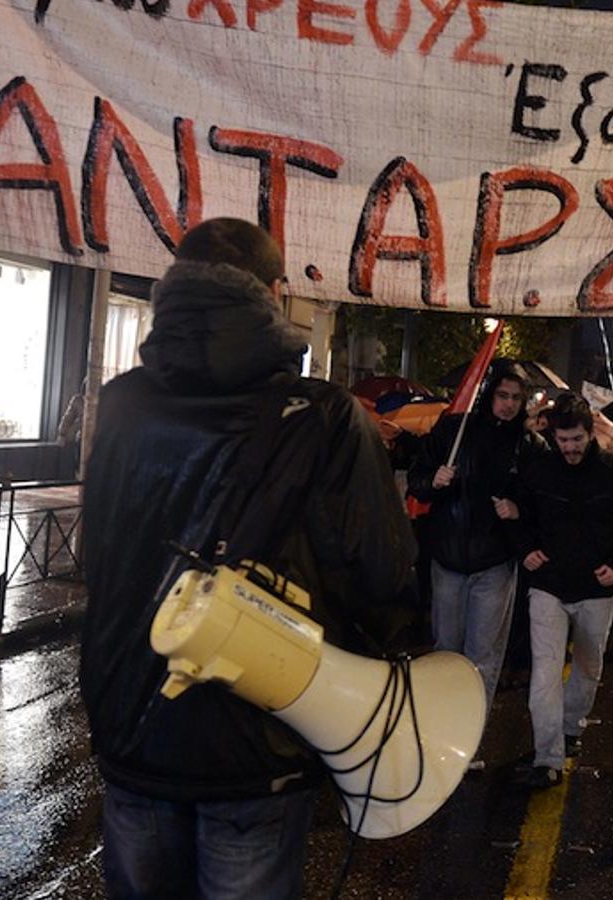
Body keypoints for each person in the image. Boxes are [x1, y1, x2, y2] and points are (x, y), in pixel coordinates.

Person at [79, 218, 418, 898]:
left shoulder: (120, 404)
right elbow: (381, 577)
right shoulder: (324, 415)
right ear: (273, 292)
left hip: (131, 723)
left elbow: (97, 556)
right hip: (262, 730)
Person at [508, 394, 613, 788]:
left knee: (588, 668)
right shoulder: (538, 472)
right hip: (549, 586)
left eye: (576, 439)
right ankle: (547, 757)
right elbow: (518, 516)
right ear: (553, 436)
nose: (569, 447)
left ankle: (570, 728)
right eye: (562, 439)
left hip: (596, 589)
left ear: (590, 434)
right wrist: (526, 549)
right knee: (545, 673)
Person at [406, 362, 546, 711]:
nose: (509, 404)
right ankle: (442, 725)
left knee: (482, 658)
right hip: (448, 558)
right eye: (502, 395)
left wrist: (518, 510)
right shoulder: (454, 429)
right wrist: (432, 480)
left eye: (516, 397)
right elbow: (417, 480)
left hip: (495, 564)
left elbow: (542, 504)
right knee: (446, 651)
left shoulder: (530, 445)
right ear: (489, 393)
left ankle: (470, 737)